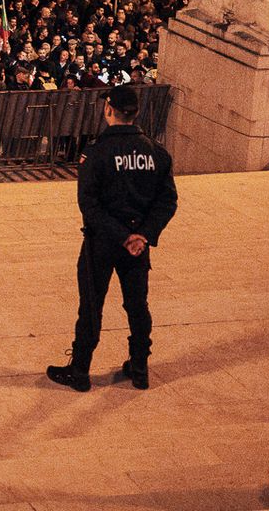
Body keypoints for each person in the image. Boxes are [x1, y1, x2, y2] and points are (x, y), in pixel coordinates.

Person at [47, 84, 178, 392]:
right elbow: (167, 201)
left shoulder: (96, 153)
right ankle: (139, 367)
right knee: (137, 305)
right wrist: (142, 235)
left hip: (102, 242)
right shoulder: (157, 153)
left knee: (91, 305)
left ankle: (80, 369)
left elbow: (89, 205)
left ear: (108, 110)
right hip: (138, 245)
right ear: (136, 113)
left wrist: (122, 236)